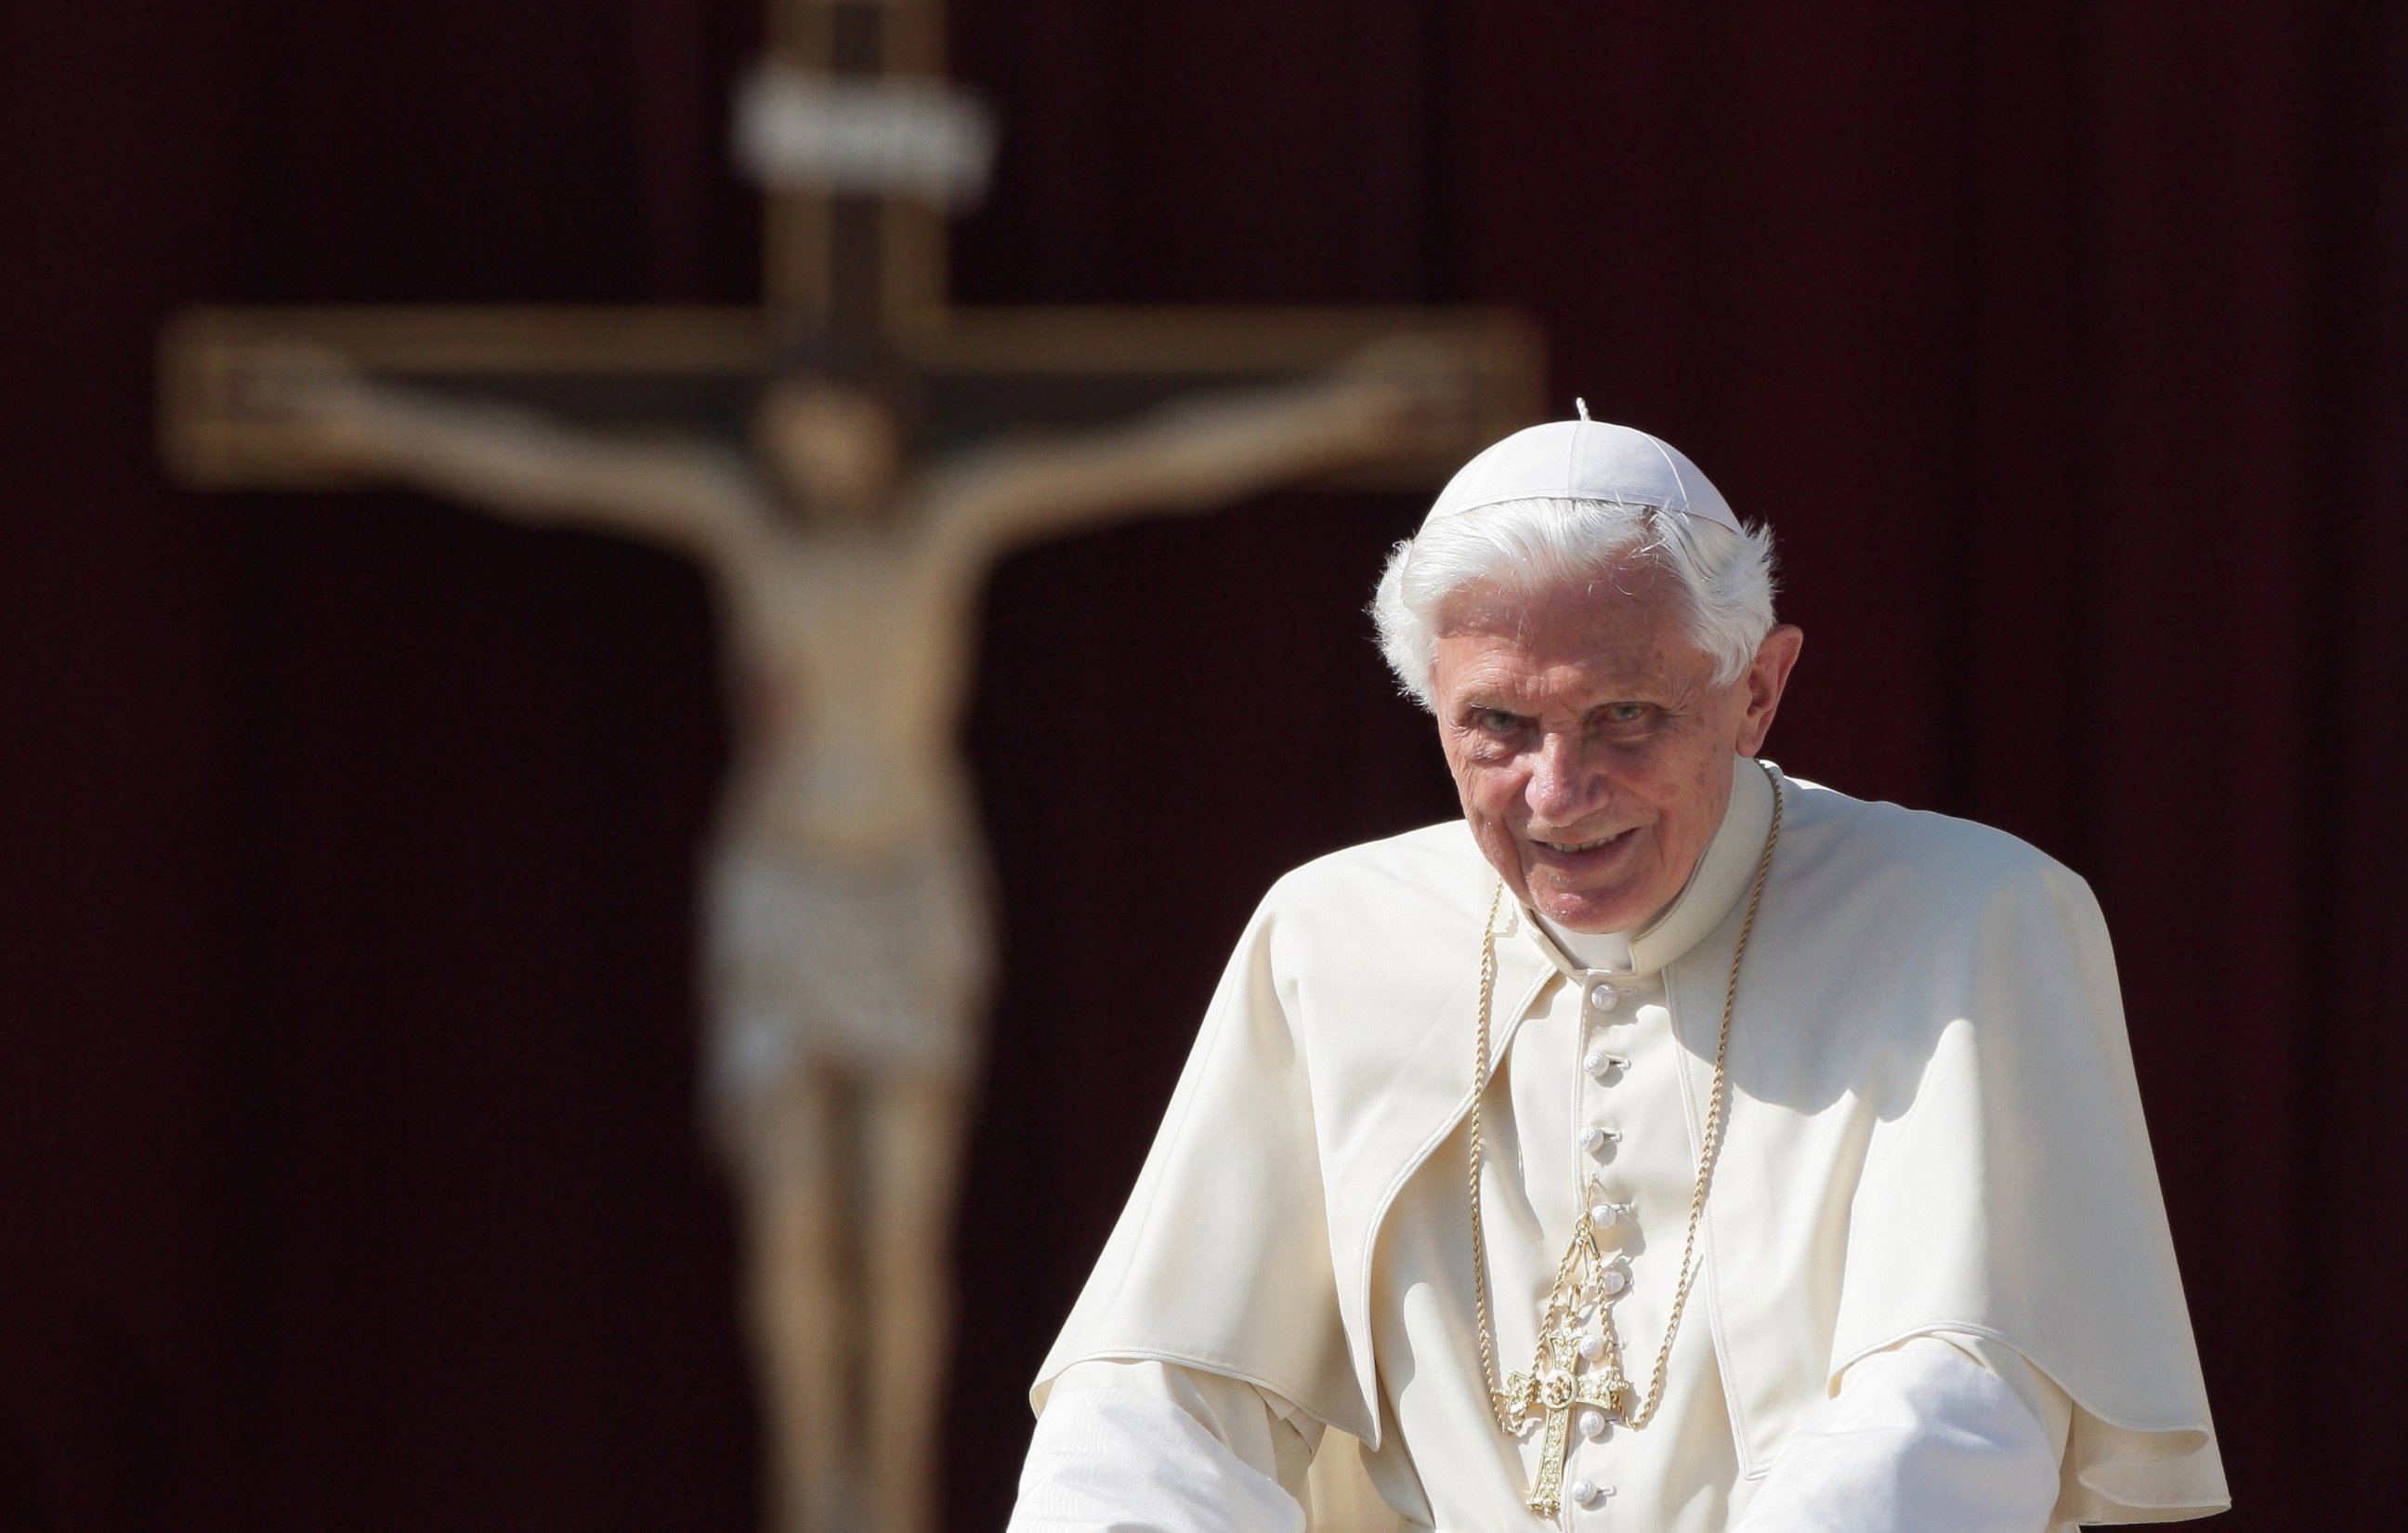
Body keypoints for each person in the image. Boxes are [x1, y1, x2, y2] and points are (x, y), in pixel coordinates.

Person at [238, 340, 1460, 1533]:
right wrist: (362, 417)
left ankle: (894, 1497)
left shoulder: (948, 520)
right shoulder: (739, 521)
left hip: (906, 891)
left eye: (831, 414)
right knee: (793, 1221)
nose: (809, 442)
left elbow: (1158, 462)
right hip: (780, 893)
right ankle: (812, 1495)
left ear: (881, 421)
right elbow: (543, 470)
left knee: (897, 1226)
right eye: (791, 421)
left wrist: (1335, 413)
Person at [1009, 413, 2228, 1533]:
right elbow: (1159, 1398)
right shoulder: (1328, 935)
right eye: (1497, 724)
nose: (1556, 791)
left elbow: (1957, 1406)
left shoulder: (1969, 917)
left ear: (1755, 690)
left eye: (1625, 715)